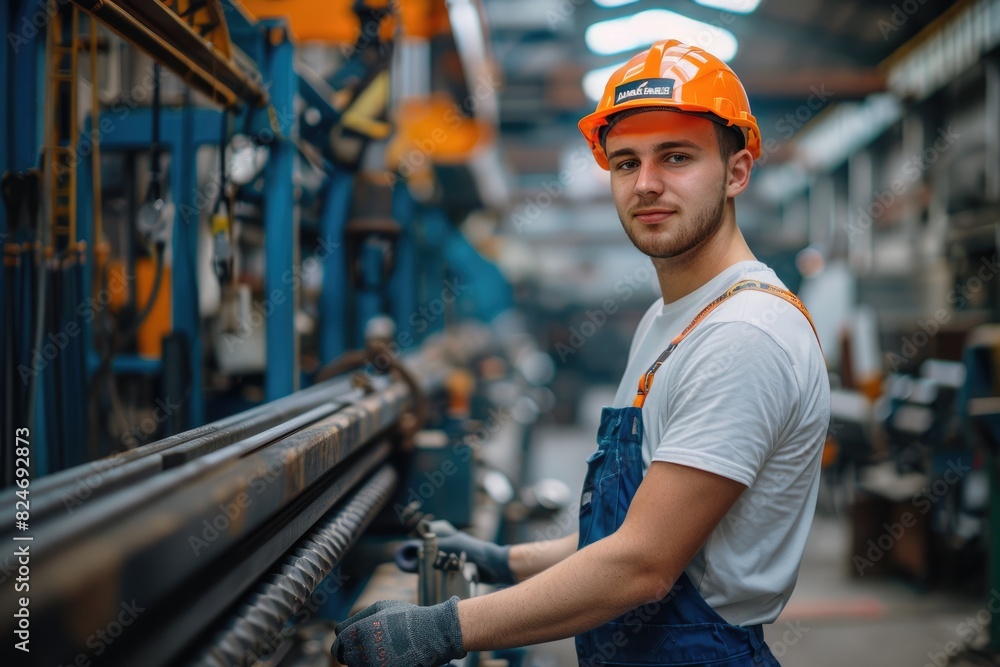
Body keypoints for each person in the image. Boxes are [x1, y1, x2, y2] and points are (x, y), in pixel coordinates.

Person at [332, 38, 831, 667]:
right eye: (626, 163)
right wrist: (501, 560)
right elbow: (627, 533)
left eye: (676, 157)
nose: (646, 184)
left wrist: (444, 628)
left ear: (736, 171)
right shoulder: (670, 319)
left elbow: (642, 566)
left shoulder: (743, 334)